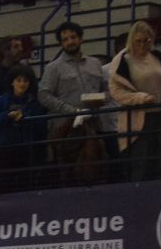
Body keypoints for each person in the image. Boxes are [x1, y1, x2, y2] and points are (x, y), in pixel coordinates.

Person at [38, 21, 112, 185]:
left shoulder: (95, 63)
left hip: (93, 125)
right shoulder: (53, 68)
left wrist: (101, 99)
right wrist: (70, 110)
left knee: (96, 168)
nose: (70, 41)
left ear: (80, 38)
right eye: (65, 39)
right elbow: (43, 95)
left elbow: (106, 89)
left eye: (73, 37)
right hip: (66, 128)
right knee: (69, 172)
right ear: (61, 43)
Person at [107, 22, 161, 181]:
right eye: (138, 41)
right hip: (138, 120)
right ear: (131, 40)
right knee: (141, 165)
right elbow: (116, 91)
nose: (143, 45)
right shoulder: (122, 61)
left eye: (147, 41)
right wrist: (140, 98)